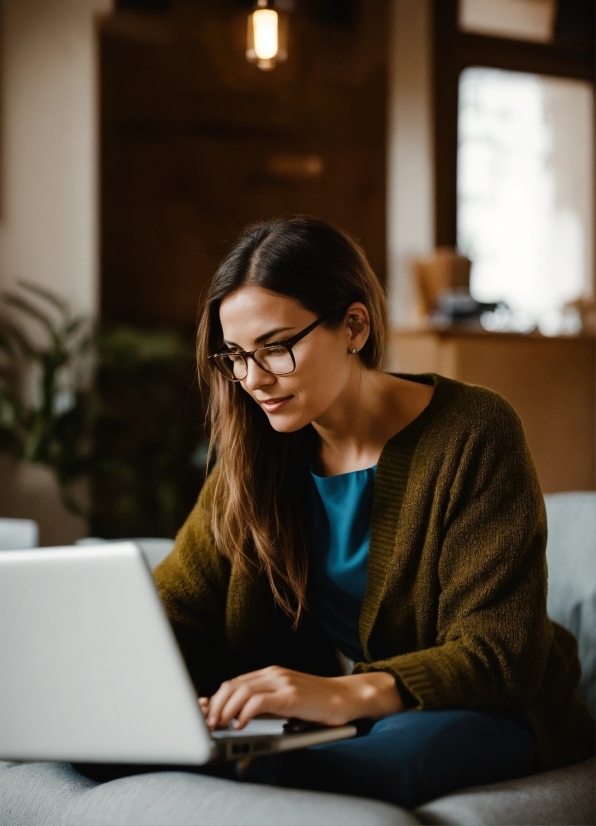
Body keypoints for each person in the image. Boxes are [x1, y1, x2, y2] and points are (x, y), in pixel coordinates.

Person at [154, 216, 594, 808]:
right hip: (328, 712)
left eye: (276, 348)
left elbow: (498, 652)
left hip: (481, 704)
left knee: (367, 759)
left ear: (354, 326)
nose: (253, 380)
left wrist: (343, 695)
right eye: (235, 355)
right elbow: (177, 608)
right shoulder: (254, 453)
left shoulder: (474, 431)